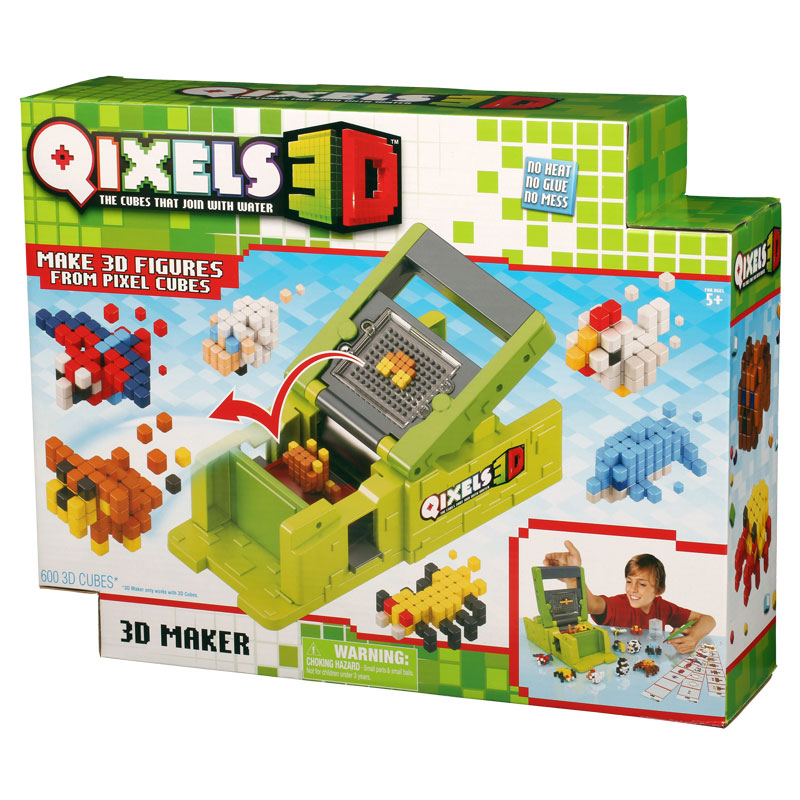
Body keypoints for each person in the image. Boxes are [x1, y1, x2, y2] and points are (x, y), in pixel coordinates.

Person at [544, 540, 715, 654]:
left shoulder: (663, 607)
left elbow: (708, 620)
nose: (632, 589)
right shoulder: (619, 605)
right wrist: (573, 577)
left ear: (658, 590)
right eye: (629, 581)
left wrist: (694, 636)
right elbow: (590, 605)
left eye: (642, 584)